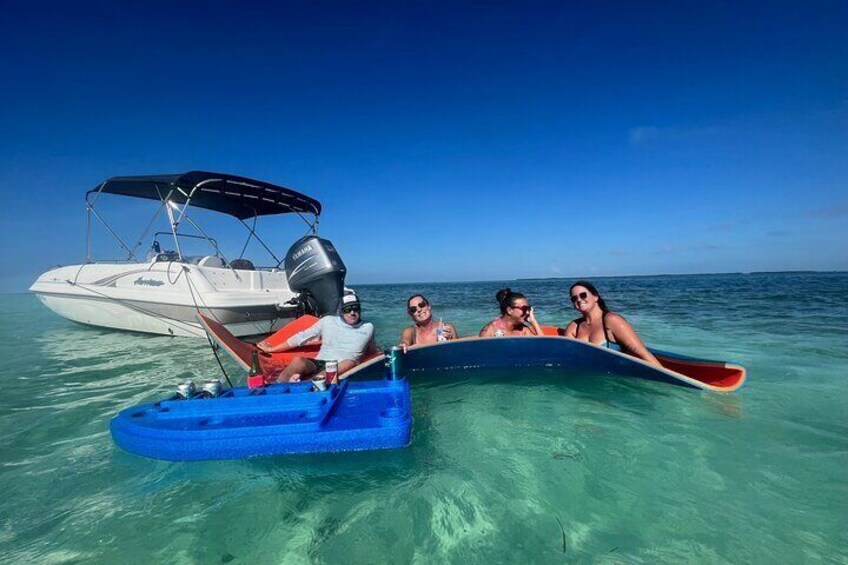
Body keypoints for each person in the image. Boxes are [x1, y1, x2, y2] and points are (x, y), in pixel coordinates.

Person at [257, 293, 375, 383]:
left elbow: (372, 349)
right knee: (298, 361)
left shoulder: (368, 327)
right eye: (348, 309)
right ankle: (279, 386)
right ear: (341, 311)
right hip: (320, 362)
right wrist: (273, 349)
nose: (352, 313)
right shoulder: (327, 321)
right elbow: (302, 337)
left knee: (349, 362)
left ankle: (311, 382)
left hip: (343, 366)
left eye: (356, 308)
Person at [561, 280, 662, 367]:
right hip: (586, 376)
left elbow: (640, 351)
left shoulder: (612, 321)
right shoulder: (574, 327)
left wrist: (664, 375)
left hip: (612, 379)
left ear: (596, 297)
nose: (579, 299)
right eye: (574, 298)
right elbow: (566, 357)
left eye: (583, 295)